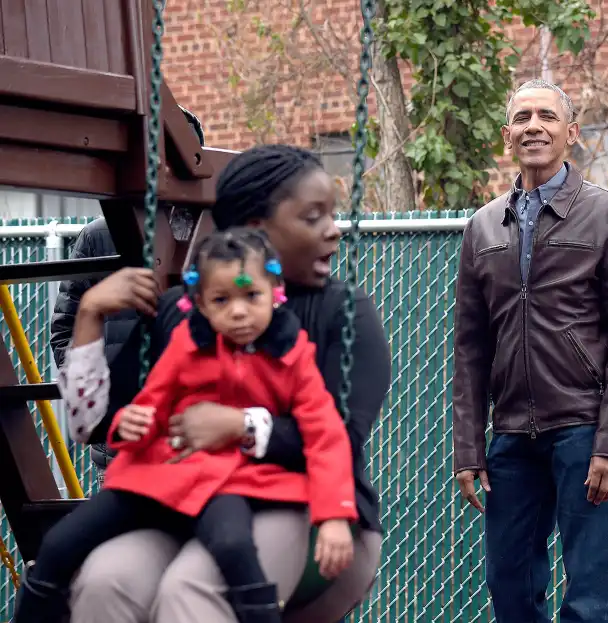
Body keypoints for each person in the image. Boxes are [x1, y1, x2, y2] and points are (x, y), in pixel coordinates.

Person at [57, 145, 391, 623]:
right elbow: (93, 425)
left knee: (189, 592)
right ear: (257, 232)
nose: (333, 231)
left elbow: (340, 435)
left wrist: (239, 425)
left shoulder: (342, 312)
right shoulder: (182, 309)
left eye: (331, 215)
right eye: (314, 217)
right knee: (103, 581)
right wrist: (89, 316)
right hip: (182, 499)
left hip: (305, 507)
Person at [19, 228, 357, 623]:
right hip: (157, 475)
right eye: (221, 300)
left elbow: (325, 433)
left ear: (275, 292)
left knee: (234, 547)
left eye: (252, 296)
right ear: (200, 305)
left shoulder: (290, 354)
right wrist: (132, 421)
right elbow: (155, 397)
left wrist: (334, 514)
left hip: (223, 481)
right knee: (58, 545)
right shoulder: (187, 344)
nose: (238, 311)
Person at [452, 79, 608, 623]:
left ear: (571, 133)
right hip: (510, 435)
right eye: (522, 117)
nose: (533, 126)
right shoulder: (482, 226)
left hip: (583, 430)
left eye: (546, 116)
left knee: (591, 597)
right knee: (509, 587)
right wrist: (468, 447)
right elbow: (469, 346)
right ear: (507, 135)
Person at [50, 106, 207, 477]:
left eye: (180, 158)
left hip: (197, 437)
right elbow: (66, 330)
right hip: (124, 439)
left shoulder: (211, 229)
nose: (168, 169)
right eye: (158, 155)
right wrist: (104, 404)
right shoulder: (99, 236)